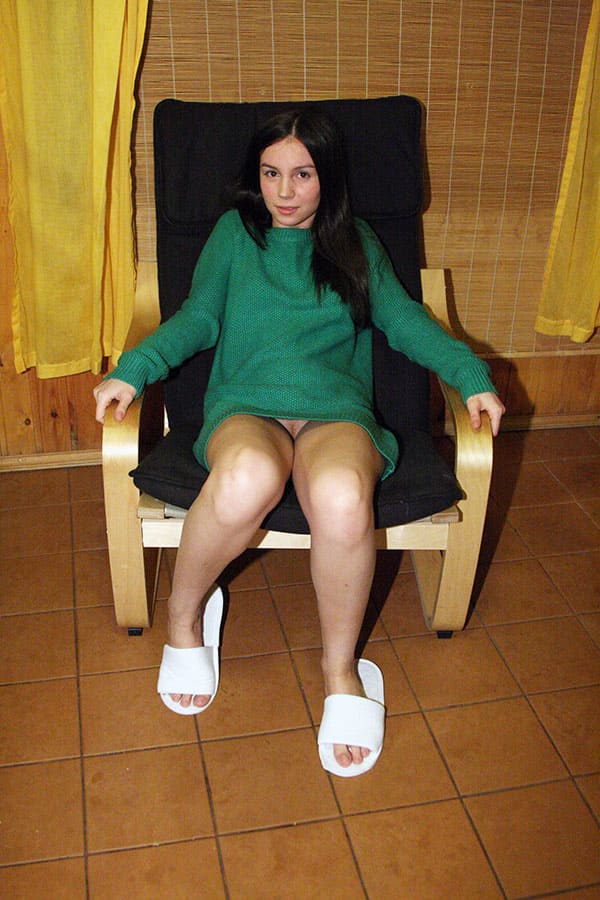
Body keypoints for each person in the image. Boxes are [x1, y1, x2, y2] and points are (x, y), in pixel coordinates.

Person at [94, 107, 505, 778]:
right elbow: (198, 317)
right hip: (247, 408)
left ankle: (340, 669)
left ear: (327, 177)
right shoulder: (235, 235)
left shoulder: (356, 241)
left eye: (303, 174)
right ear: (256, 177)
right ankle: (185, 617)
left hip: (334, 414)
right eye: (271, 173)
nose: (284, 191)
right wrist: (134, 368)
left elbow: (404, 319)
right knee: (245, 478)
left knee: (343, 496)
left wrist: (469, 375)